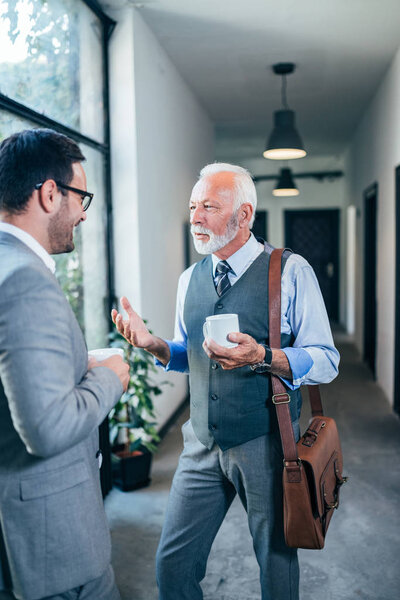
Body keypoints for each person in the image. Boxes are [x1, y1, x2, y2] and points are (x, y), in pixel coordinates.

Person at [112, 163, 339, 600]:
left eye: (209, 207)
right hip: (199, 443)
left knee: (275, 564)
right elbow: (189, 354)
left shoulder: (289, 272)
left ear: (245, 215)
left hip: (265, 442)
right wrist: (155, 345)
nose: (195, 218)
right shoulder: (188, 280)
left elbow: (326, 360)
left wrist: (265, 357)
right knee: (172, 566)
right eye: (193, 207)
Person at [0, 128, 130, 600]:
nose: (83, 213)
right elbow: (47, 428)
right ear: (50, 193)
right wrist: (109, 378)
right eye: (81, 197)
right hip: (52, 547)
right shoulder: (24, 282)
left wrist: (76, 363)